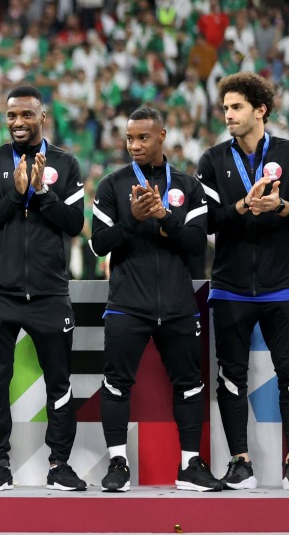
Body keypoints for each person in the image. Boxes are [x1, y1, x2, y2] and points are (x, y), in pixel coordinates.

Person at [89, 107, 222, 493]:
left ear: (162, 136)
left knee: (189, 385)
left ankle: (189, 467)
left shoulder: (188, 185)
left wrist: (165, 217)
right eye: (129, 138)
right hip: (127, 304)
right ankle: (118, 465)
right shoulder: (112, 185)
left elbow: (197, 246)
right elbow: (99, 244)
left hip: (179, 305)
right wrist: (131, 218)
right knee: (116, 385)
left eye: (143, 138)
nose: (134, 145)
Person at [197, 72, 289, 492]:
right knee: (231, 377)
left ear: (259, 110)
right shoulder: (212, 160)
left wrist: (281, 206)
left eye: (236, 107)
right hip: (229, 286)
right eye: (225, 108)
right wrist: (242, 205)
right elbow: (206, 222)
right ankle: (240, 463)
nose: (228, 115)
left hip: (282, 285)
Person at [0, 85, 87, 492]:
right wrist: (15, 197)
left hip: (50, 294)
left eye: (26, 115)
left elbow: (74, 224)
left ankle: (59, 465)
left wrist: (42, 193)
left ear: (43, 116)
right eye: (12, 115)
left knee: (60, 383)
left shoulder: (66, 164)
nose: (18, 122)